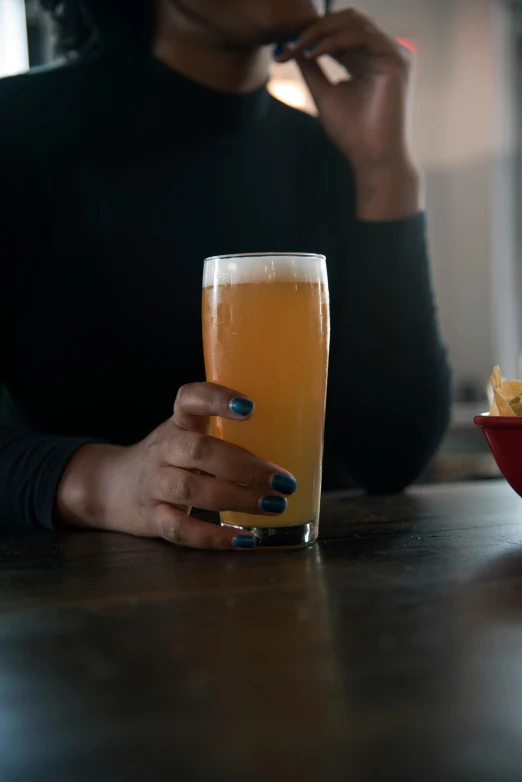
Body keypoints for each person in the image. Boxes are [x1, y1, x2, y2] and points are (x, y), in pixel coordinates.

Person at [0, 0, 451, 550]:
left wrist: (385, 168)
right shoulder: (19, 129)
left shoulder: (336, 152)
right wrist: (98, 482)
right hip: (89, 610)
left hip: (312, 592)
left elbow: (391, 457)